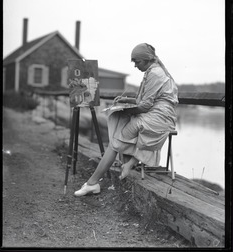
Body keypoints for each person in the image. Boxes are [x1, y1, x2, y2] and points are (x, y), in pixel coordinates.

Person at [74, 43, 178, 196]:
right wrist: (125, 101)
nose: (135, 65)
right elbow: (143, 101)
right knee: (120, 128)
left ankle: (95, 181)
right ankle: (124, 167)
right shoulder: (151, 72)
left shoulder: (155, 74)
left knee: (118, 138)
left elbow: (144, 106)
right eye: (133, 62)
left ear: (147, 59)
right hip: (155, 114)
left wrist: (126, 109)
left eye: (137, 61)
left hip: (161, 117)